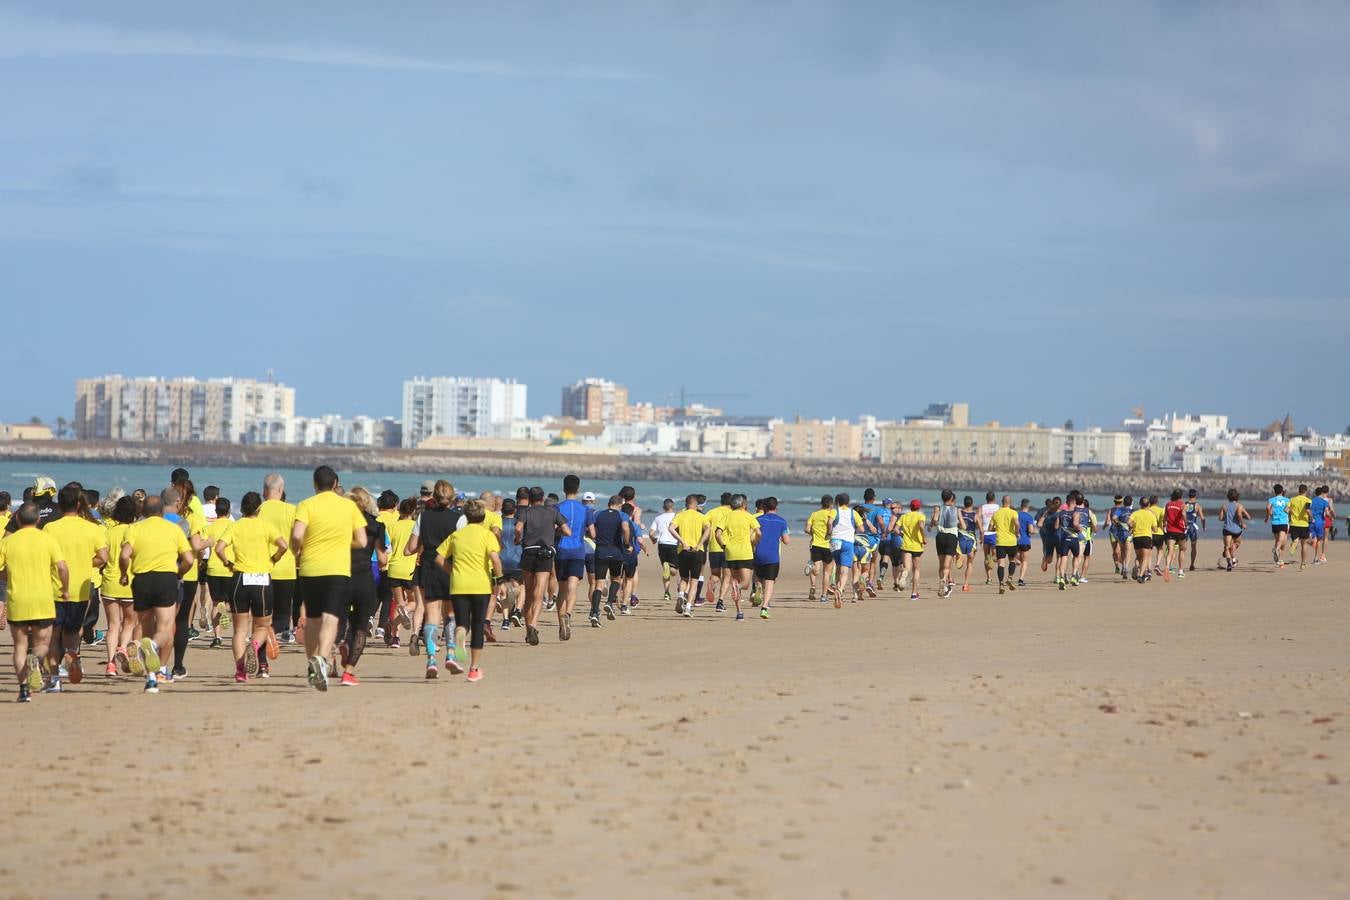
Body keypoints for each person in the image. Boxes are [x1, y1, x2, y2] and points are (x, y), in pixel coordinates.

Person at [291, 466, 368, 691]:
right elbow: (362, 541)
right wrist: (345, 542)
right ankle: (322, 660)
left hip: (309, 568)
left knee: (313, 620)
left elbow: (297, 535)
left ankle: (311, 664)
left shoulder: (306, 505)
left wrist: (298, 551)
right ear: (335, 484)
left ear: (315, 485)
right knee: (331, 619)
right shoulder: (349, 506)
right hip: (337, 569)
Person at [120, 493, 195, 693]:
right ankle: (154, 650)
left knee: (145, 627)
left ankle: (150, 678)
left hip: (142, 580)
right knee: (165, 628)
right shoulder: (173, 528)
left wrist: (123, 574)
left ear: (143, 511)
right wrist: (180, 573)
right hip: (165, 579)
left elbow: (124, 555)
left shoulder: (134, 528)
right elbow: (189, 559)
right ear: (162, 510)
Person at [214, 491, 287, 683]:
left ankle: (240, 671)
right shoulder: (265, 526)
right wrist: (274, 558)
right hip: (262, 578)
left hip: (240, 578)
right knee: (262, 625)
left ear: (242, 509)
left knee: (239, 630)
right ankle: (254, 646)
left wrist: (228, 564)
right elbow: (283, 545)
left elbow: (218, 548)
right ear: (259, 508)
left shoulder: (235, 526)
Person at [42, 485, 109, 691]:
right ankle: (72, 653)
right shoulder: (92, 528)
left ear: (60, 505)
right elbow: (103, 557)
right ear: (79, 503)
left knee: (54, 634)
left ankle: (54, 680)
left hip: (55, 588)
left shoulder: (50, 528)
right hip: (81, 587)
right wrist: (85, 563)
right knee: (73, 630)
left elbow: (44, 556)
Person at [1, 503, 68, 702]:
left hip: (17, 599)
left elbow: (1, 570)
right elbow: (62, 567)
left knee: (20, 646)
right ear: (38, 520)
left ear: (18, 520)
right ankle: (36, 660)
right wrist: (64, 589)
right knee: (43, 644)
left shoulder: (8, 542)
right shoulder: (47, 539)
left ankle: (23, 690)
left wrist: (7, 577)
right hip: (43, 599)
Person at [434, 499, 501, 682]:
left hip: (459, 584)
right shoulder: (487, 536)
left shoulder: (457, 535)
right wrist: (499, 578)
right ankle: (474, 669)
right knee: (479, 624)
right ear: (482, 516)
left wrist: (452, 570)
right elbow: (495, 559)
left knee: (463, 622)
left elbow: (439, 559)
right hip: (481, 585)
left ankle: (461, 634)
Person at [336, 487, 389, 685]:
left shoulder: (341, 523)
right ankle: (348, 673)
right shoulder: (376, 526)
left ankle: (339, 646)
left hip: (341, 575)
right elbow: (382, 560)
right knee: (360, 627)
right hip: (364, 578)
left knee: (338, 621)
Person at [405, 480, 458, 674]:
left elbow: (410, 548)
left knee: (432, 614)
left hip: (428, 566)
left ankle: (431, 659)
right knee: (450, 614)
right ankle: (451, 654)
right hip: (450, 568)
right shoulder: (459, 519)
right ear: (452, 498)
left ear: (434, 497)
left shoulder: (423, 517)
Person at [513, 486, 569, 646]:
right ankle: (533, 625)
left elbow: (518, 528)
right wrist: (554, 532)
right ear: (543, 497)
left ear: (530, 499)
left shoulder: (525, 512)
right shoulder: (552, 512)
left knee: (529, 593)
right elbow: (567, 531)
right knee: (539, 593)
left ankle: (527, 631)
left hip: (529, 552)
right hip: (545, 554)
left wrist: (518, 539)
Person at [100, 496, 138, 677]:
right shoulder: (134, 531)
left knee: (113, 625)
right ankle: (123, 648)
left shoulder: (108, 532)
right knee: (130, 623)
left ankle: (110, 665)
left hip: (109, 581)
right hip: (129, 582)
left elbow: (103, 557)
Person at [259, 474, 299, 643]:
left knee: (263, 613)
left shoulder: (257, 510)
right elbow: (299, 538)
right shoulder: (292, 510)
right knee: (283, 615)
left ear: (264, 491)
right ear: (281, 490)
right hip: (286, 569)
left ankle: (260, 638)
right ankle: (268, 637)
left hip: (260, 568)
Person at [552, 474, 589, 642]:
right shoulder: (585, 509)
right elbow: (593, 532)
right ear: (578, 489)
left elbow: (553, 528)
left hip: (561, 551)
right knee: (573, 587)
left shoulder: (557, 508)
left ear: (563, 489)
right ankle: (568, 614)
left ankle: (561, 623)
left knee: (562, 589)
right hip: (578, 551)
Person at [714, 495, 759, 621]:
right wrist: (755, 542)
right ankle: (737, 589)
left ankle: (739, 613)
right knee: (744, 584)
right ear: (743, 504)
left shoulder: (726, 516)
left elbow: (717, 534)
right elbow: (759, 533)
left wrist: (723, 545)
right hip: (745, 553)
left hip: (730, 553)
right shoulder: (748, 516)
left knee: (735, 581)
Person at [384, 498, 418, 649]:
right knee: (414, 602)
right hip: (409, 569)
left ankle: (395, 637)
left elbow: (387, 547)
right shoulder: (415, 527)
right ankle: (395, 622)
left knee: (399, 603)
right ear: (413, 511)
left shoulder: (393, 526)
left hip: (394, 568)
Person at [203, 497, 235, 648]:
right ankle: (237, 634)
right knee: (233, 604)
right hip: (229, 568)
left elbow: (202, 546)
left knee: (215, 603)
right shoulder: (234, 526)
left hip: (213, 569)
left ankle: (217, 637)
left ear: (216, 512)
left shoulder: (210, 527)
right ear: (229, 511)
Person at [670, 494, 709, 617]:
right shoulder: (701, 516)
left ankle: (681, 595)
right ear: (696, 505)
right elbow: (709, 529)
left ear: (686, 504)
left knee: (684, 578)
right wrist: (700, 543)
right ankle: (688, 608)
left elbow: (671, 528)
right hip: (697, 551)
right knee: (694, 581)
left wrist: (682, 541)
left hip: (683, 550)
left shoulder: (680, 515)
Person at [749, 497, 789, 619]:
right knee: (770, 581)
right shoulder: (782, 521)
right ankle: (765, 607)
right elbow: (787, 541)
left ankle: (757, 587)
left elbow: (750, 537)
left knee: (757, 575)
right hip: (773, 556)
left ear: (764, 507)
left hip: (758, 553)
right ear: (776, 507)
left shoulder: (757, 519)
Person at [826, 493, 862, 608]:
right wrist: (853, 529)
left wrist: (829, 532)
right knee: (845, 570)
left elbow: (830, 522)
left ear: (837, 501)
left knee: (837, 566)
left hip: (835, 540)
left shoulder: (834, 511)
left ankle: (836, 588)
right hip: (848, 542)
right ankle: (840, 590)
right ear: (848, 501)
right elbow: (861, 528)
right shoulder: (853, 512)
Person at [704, 492, 734, 608]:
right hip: (728, 548)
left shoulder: (712, 512)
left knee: (715, 574)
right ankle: (720, 602)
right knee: (727, 577)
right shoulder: (733, 513)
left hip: (714, 548)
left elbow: (704, 524)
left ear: (720, 501)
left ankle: (711, 584)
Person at [894, 499, 927, 600]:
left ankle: (904, 576)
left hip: (906, 546)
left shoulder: (904, 516)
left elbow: (895, 529)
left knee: (907, 568)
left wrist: (901, 534)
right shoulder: (921, 516)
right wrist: (924, 537)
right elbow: (921, 526)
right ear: (919, 507)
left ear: (910, 507)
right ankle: (914, 593)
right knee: (916, 569)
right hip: (917, 546)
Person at [649, 498, 679, 603]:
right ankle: (670, 569)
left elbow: (651, 533)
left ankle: (666, 593)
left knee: (665, 569)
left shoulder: (658, 518)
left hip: (662, 544)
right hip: (673, 544)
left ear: (663, 507)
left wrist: (653, 539)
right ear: (673, 506)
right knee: (674, 571)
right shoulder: (677, 516)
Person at [804, 495, 834, 602]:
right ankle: (824, 596)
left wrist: (814, 534)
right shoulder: (831, 513)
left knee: (816, 569)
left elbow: (807, 529)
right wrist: (829, 534)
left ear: (821, 504)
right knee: (826, 572)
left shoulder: (814, 514)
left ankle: (810, 568)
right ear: (831, 504)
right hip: (826, 545)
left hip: (815, 544)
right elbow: (831, 525)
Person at [1219, 489, 1250, 571]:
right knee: (1237, 543)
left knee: (1227, 547)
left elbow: (1220, 518)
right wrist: (1242, 522)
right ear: (1237, 497)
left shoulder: (1224, 506)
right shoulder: (1239, 506)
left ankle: (1229, 564)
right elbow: (1248, 516)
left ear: (1228, 497)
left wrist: (1227, 517)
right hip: (1237, 530)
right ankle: (1232, 557)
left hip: (1227, 529)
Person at [1127, 499, 1156, 582]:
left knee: (1139, 557)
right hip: (1146, 537)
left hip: (1136, 537)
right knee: (1145, 557)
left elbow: (1128, 522)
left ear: (1140, 504)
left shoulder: (1135, 513)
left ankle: (1136, 568)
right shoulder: (1151, 514)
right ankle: (1140, 575)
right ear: (1148, 504)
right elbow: (1154, 529)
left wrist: (1131, 527)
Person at [1162, 489, 1188, 580]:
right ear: (1181, 496)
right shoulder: (1183, 505)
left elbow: (1165, 517)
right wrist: (1186, 523)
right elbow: (1184, 514)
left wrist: (1164, 524)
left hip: (1170, 531)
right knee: (1182, 550)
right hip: (1180, 531)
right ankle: (1180, 571)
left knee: (1170, 551)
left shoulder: (1168, 504)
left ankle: (1167, 567)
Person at [1287, 484, 1313, 570]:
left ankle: (1294, 543)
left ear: (1299, 491)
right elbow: (1308, 510)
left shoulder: (1292, 499)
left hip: (1294, 524)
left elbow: (1286, 510)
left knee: (1296, 540)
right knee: (1304, 545)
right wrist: (1311, 518)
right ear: (1306, 491)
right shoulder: (1308, 500)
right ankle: (1302, 564)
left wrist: (1291, 513)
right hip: (1304, 524)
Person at [977, 491, 1000, 585]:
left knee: (987, 556)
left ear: (986, 499)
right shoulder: (998, 507)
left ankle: (989, 578)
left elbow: (977, 517)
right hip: (995, 533)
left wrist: (980, 529)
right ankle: (997, 576)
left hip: (985, 533)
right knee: (996, 556)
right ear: (994, 498)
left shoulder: (982, 507)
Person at [1266, 484, 1291, 568]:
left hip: (1275, 523)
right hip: (1283, 522)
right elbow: (1288, 510)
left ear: (1274, 491)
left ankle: (1280, 559)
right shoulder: (1287, 500)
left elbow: (1268, 507)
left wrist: (1269, 514)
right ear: (1282, 491)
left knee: (1278, 541)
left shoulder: (1271, 500)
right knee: (1281, 540)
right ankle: (1276, 550)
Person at [1310, 486, 1335, 564]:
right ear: (1327, 492)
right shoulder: (1328, 501)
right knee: (1324, 538)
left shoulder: (1312, 500)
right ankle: (1322, 555)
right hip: (1322, 520)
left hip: (1312, 521)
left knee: (1313, 537)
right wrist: (1332, 516)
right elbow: (1330, 510)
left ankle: (1312, 540)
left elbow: (1308, 510)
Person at [1015, 499, 1036, 587]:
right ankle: (1021, 579)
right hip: (1025, 541)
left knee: (1017, 559)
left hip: (1015, 540)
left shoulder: (1016, 515)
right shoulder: (1029, 517)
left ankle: (1016, 561)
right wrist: (1035, 531)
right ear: (1028, 507)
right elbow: (1031, 530)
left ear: (1021, 505)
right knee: (1025, 561)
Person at [1184, 489, 1206, 572]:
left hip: (1184, 527)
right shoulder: (1197, 506)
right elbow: (1202, 518)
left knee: (1183, 548)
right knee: (1193, 547)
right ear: (1195, 496)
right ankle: (1192, 564)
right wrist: (1204, 527)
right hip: (1192, 527)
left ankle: (1180, 565)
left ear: (1188, 496)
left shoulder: (1184, 504)